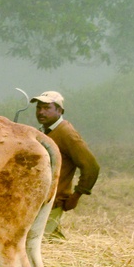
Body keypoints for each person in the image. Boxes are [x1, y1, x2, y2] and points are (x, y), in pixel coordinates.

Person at [29, 90, 99, 239]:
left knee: (39, 242)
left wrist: (77, 195)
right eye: (39, 108)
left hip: (53, 201)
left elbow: (91, 166)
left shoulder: (66, 133)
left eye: (47, 108)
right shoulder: (43, 131)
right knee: (49, 240)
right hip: (40, 200)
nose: (41, 112)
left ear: (60, 111)